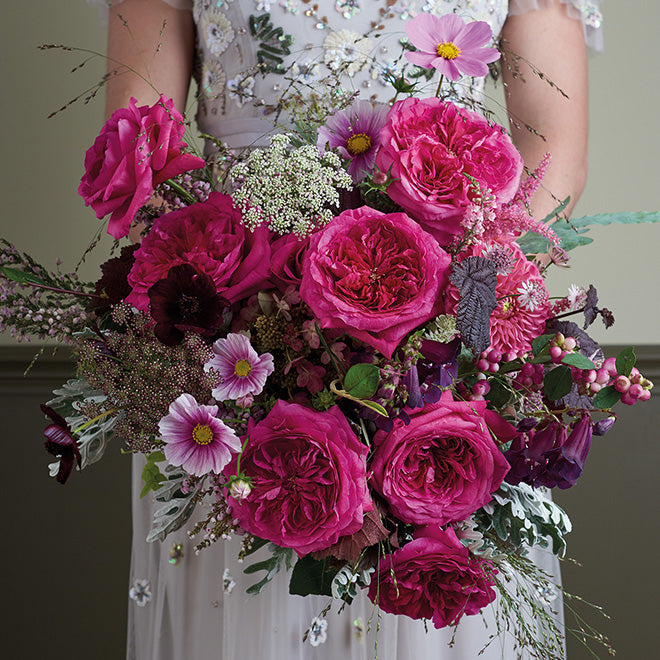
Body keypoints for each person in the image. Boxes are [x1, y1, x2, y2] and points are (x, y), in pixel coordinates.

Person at [96, 1, 602, 658]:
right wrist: (237, 307)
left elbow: (551, 160)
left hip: (439, 350)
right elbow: (140, 145)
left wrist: (456, 313)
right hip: (241, 347)